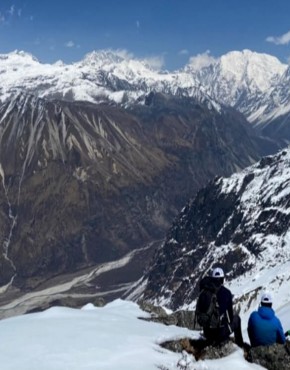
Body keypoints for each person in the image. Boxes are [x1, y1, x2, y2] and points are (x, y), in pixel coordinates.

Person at [199, 267, 244, 347]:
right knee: (237, 319)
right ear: (222, 279)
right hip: (221, 335)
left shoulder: (205, 292)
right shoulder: (226, 293)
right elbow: (230, 319)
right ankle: (240, 344)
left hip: (207, 333)